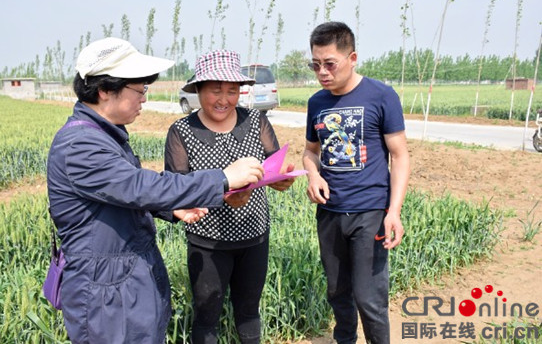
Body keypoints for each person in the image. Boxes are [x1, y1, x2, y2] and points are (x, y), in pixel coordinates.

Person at [46, 37, 264, 344]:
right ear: (105, 89)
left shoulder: (105, 136)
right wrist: (223, 178)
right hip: (105, 297)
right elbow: (140, 186)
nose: (144, 100)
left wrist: (169, 209)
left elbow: (122, 192)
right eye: (140, 90)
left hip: (124, 284)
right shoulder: (80, 145)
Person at [164, 49, 295, 344]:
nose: (224, 99)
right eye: (215, 90)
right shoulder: (182, 132)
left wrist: (281, 179)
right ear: (198, 90)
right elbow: (176, 189)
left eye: (232, 90)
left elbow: (273, 165)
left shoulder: (255, 121)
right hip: (207, 243)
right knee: (207, 317)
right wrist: (221, 194)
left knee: (249, 312)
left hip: (254, 237)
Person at [302, 22, 410, 344]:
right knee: (338, 292)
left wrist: (394, 211)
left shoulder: (381, 96)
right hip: (330, 213)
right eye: (316, 64)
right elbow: (310, 152)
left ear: (352, 58)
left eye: (329, 63)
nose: (322, 72)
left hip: (370, 214)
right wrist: (313, 173)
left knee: (369, 299)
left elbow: (400, 156)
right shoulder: (316, 103)